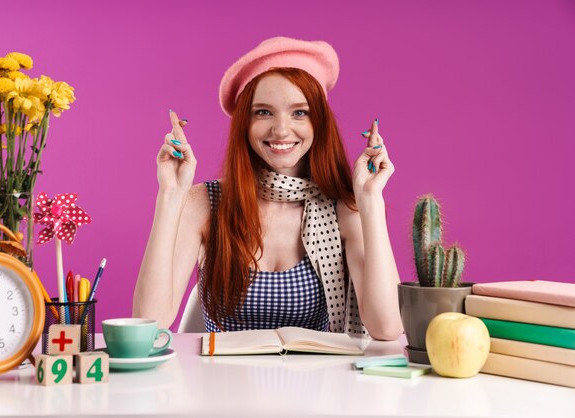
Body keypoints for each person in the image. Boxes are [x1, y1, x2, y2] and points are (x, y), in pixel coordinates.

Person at [133, 37, 403, 340]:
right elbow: (148, 322)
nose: (281, 130)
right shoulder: (206, 203)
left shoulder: (341, 209)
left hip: (316, 383)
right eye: (263, 112)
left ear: (319, 122)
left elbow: (387, 327)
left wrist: (370, 201)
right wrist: (170, 196)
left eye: (299, 112)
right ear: (244, 124)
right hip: (217, 384)